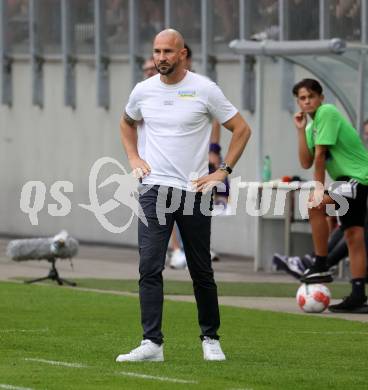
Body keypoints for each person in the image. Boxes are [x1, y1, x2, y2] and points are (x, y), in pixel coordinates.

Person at [116, 28, 251, 361]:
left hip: (194, 191)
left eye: (168, 52)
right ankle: (152, 344)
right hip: (153, 189)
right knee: (149, 266)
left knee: (200, 268)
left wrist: (223, 171)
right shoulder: (143, 91)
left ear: (183, 54)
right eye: (157, 51)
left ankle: (210, 339)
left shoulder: (204, 89)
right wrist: (134, 158)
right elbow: (125, 122)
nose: (161, 57)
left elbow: (241, 128)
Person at [293, 78, 368, 313]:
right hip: (348, 181)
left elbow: (320, 156)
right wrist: (299, 130)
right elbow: (306, 161)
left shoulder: (327, 112)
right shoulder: (310, 126)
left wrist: (318, 188)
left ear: (321, 98)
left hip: (359, 177)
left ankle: (321, 264)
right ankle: (358, 295)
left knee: (314, 204)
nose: (307, 102)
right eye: (302, 98)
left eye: (311, 97)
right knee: (354, 236)